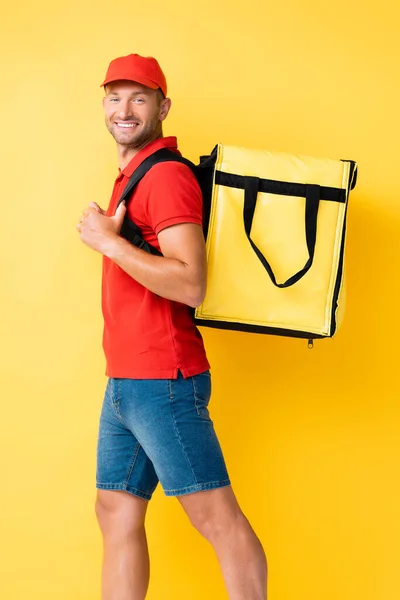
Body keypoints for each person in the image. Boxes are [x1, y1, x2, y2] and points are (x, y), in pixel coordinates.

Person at [77, 53, 268, 600]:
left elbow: (190, 283)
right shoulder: (132, 176)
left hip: (163, 380)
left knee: (216, 518)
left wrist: (108, 241)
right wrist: (115, 236)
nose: (124, 109)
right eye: (114, 97)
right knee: (114, 512)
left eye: (139, 97)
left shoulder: (165, 176)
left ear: (163, 106)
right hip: (127, 383)